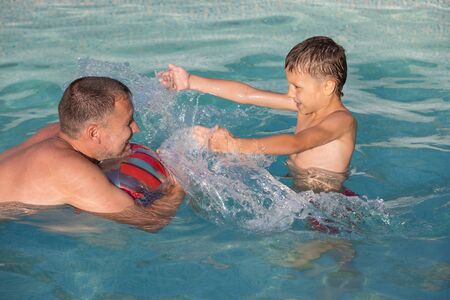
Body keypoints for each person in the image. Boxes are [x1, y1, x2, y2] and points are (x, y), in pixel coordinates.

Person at [158, 36, 356, 194]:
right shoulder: (304, 105)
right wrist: (191, 81)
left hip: (328, 201)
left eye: (296, 86)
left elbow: (297, 143)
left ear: (328, 86)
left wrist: (236, 146)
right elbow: (247, 95)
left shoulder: (341, 121)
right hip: (300, 190)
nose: (290, 93)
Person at [0, 77, 185, 232]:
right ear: (94, 133)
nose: (136, 128)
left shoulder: (57, 132)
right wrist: (179, 183)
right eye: (128, 123)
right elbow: (151, 221)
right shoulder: (70, 169)